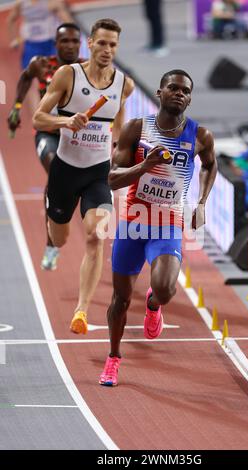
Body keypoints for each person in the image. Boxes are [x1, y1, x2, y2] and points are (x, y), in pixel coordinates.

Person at [99, 69, 217, 386]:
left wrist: (203, 202)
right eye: (173, 88)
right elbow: (112, 178)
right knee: (120, 300)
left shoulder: (200, 135)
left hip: (167, 225)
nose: (180, 93)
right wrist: (145, 166)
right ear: (160, 92)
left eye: (186, 91)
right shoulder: (137, 129)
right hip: (134, 224)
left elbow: (209, 164)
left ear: (190, 98)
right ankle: (113, 358)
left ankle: (153, 305)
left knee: (164, 289)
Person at [33, 18, 134, 334]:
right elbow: (38, 119)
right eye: (102, 43)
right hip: (64, 171)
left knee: (96, 235)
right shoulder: (68, 75)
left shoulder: (123, 84)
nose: (107, 50)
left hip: (97, 174)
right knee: (60, 236)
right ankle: (53, 242)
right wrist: (66, 123)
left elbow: (118, 125)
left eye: (113, 45)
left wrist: (117, 155)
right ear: (90, 43)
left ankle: (81, 311)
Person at [8, 23, 83, 271]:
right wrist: (17, 108)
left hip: (78, 138)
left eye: (75, 41)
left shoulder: (87, 69)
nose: (70, 46)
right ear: (56, 43)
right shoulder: (41, 64)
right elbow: (25, 77)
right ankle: (52, 243)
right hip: (48, 134)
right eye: (65, 41)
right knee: (57, 172)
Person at [7, 0, 73, 69]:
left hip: (50, 43)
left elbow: (68, 21)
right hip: (31, 43)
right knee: (29, 72)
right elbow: (10, 20)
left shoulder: (53, 2)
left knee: (55, 70)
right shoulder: (21, 3)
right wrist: (13, 40)